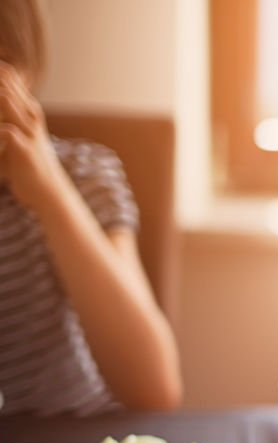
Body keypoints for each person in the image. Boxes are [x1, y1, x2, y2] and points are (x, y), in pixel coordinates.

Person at [0, 0, 181, 415]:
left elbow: (154, 386)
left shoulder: (84, 174)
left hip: (77, 441)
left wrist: (50, 191)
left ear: (30, 75)